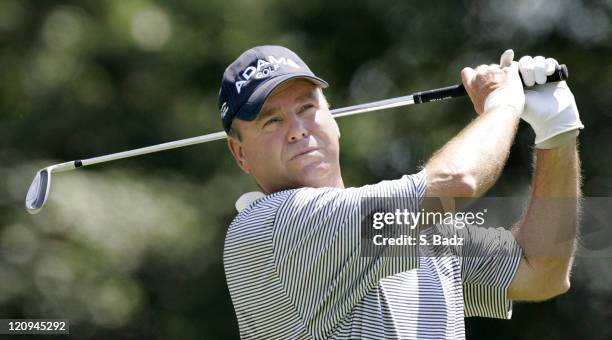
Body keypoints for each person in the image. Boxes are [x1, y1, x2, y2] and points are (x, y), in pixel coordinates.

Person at [219, 45, 583, 339]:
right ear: (240, 154)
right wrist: (504, 103)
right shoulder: (270, 228)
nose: (297, 130)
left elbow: (541, 271)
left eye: (307, 107)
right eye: (272, 121)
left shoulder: (409, 226)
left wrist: (557, 132)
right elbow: (458, 181)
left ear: (334, 119)